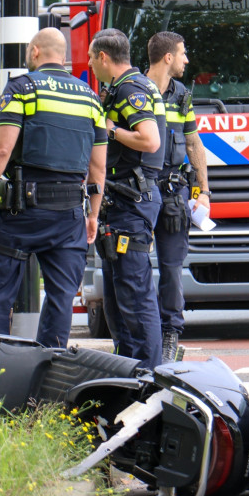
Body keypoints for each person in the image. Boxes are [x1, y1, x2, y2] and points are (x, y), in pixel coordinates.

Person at [0, 28, 107, 347]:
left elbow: (2, 150)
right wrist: (94, 215)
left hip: (23, 211)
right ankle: (49, 375)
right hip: (70, 213)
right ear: (63, 57)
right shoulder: (90, 98)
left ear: (34, 52)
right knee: (60, 298)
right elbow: (98, 166)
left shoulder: (22, 89)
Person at [87, 28, 166, 368]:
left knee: (134, 293)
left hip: (131, 200)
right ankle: (130, 367)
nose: (90, 65)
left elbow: (150, 141)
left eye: (91, 59)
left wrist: (110, 130)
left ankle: (147, 373)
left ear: (104, 57)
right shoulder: (135, 85)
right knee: (121, 296)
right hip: (127, 200)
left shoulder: (129, 89)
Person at [146, 31, 210, 362]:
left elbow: (193, 143)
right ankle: (144, 333)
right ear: (168, 57)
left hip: (172, 192)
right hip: (139, 191)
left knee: (171, 268)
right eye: (183, 54)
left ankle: (170, 334)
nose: (187, 60)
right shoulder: (133, 90)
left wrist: (202, 192)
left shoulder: (182, 94)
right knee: (136, 265)